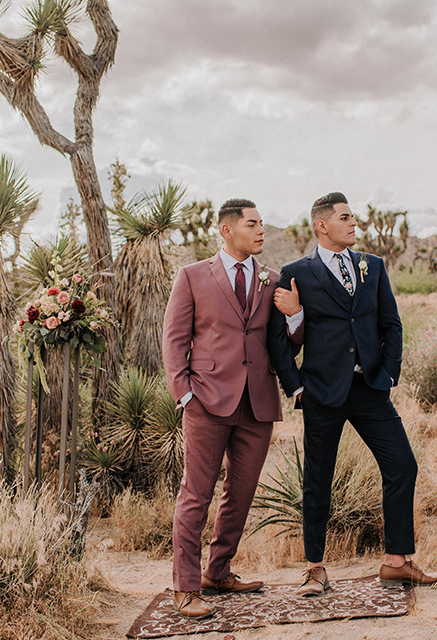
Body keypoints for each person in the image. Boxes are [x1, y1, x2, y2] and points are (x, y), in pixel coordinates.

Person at [268, 191, 437, 596]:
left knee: (402, 465)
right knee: (318, 480)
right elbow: (278, 340)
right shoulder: (296, 271)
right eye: (345, 217)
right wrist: (296, 387)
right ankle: (315, 568)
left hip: (370, 389)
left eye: (354, 217)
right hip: (321, 393)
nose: (354, 224)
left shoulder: (373, 266)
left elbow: (391, 323)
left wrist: (389, 373)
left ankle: (396, 562)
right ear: (322, 225)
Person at [162, 198, 292, 619]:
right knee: (196, 494)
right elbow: (175, 339)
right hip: (206, 399)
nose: (260, 231)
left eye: (262, 224)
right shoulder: (193, 276)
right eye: (252, 224)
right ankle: (185, 586)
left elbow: (283, 342)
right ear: (226, 230)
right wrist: (184, 393)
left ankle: (218, 571)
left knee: (241, 492)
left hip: (257, 401)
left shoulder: (272, 279)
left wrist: (295, 317)